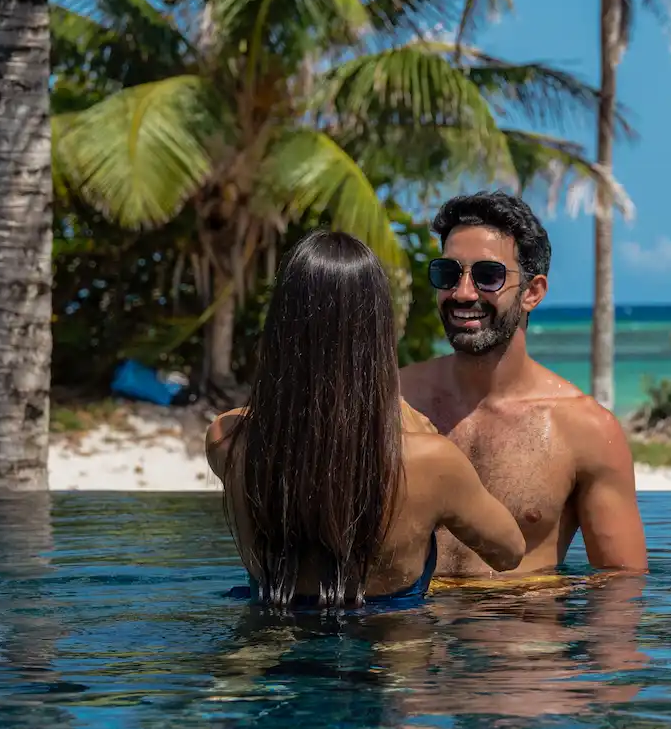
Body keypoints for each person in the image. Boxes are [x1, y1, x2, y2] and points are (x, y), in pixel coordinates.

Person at [207, 231, 525, 608]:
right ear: (377, 333)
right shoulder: (431, 461)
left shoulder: (228, 440)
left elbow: (304, 445)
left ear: (281, 327)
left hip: (269, 640)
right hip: (390, 653)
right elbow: (509, 552)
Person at [400, 191, 648, 577]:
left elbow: (621, 591)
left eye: (488, 276)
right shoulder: (393, 400)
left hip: (519, 629)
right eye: (448, 274)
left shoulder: (587, 432)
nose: (463, 293)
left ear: (532, 292)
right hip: (405, 633)